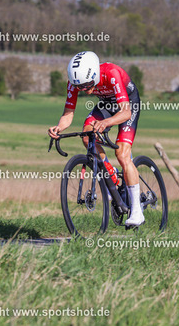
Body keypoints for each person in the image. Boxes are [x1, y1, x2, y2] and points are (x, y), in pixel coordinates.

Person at [48, 51, 144, 226]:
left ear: (95, 74)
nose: (85, 90)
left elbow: (126, 113)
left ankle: (137, 211)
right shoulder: (75, 82)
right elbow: (68, 114)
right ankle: (111, 175)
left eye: (87, 85)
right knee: (87, 136)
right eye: (80, 87)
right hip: (107, 104)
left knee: (122, 154)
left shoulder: (111, 73)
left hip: (128, 104)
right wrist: (59, 127)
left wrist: (106, 122)